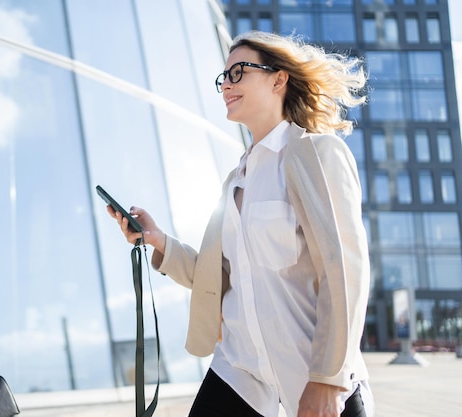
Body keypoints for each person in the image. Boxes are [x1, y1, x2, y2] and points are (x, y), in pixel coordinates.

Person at [107, 31, 373, 417]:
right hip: (241, 369)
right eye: (223, 78)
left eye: (238, 73)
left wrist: (329, 379)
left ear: (278, 79)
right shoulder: (237, 179)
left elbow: (344, 269)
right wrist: (158, 240)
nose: (226, 86)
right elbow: (220, 277)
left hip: (311, 370)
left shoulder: (314, 154)